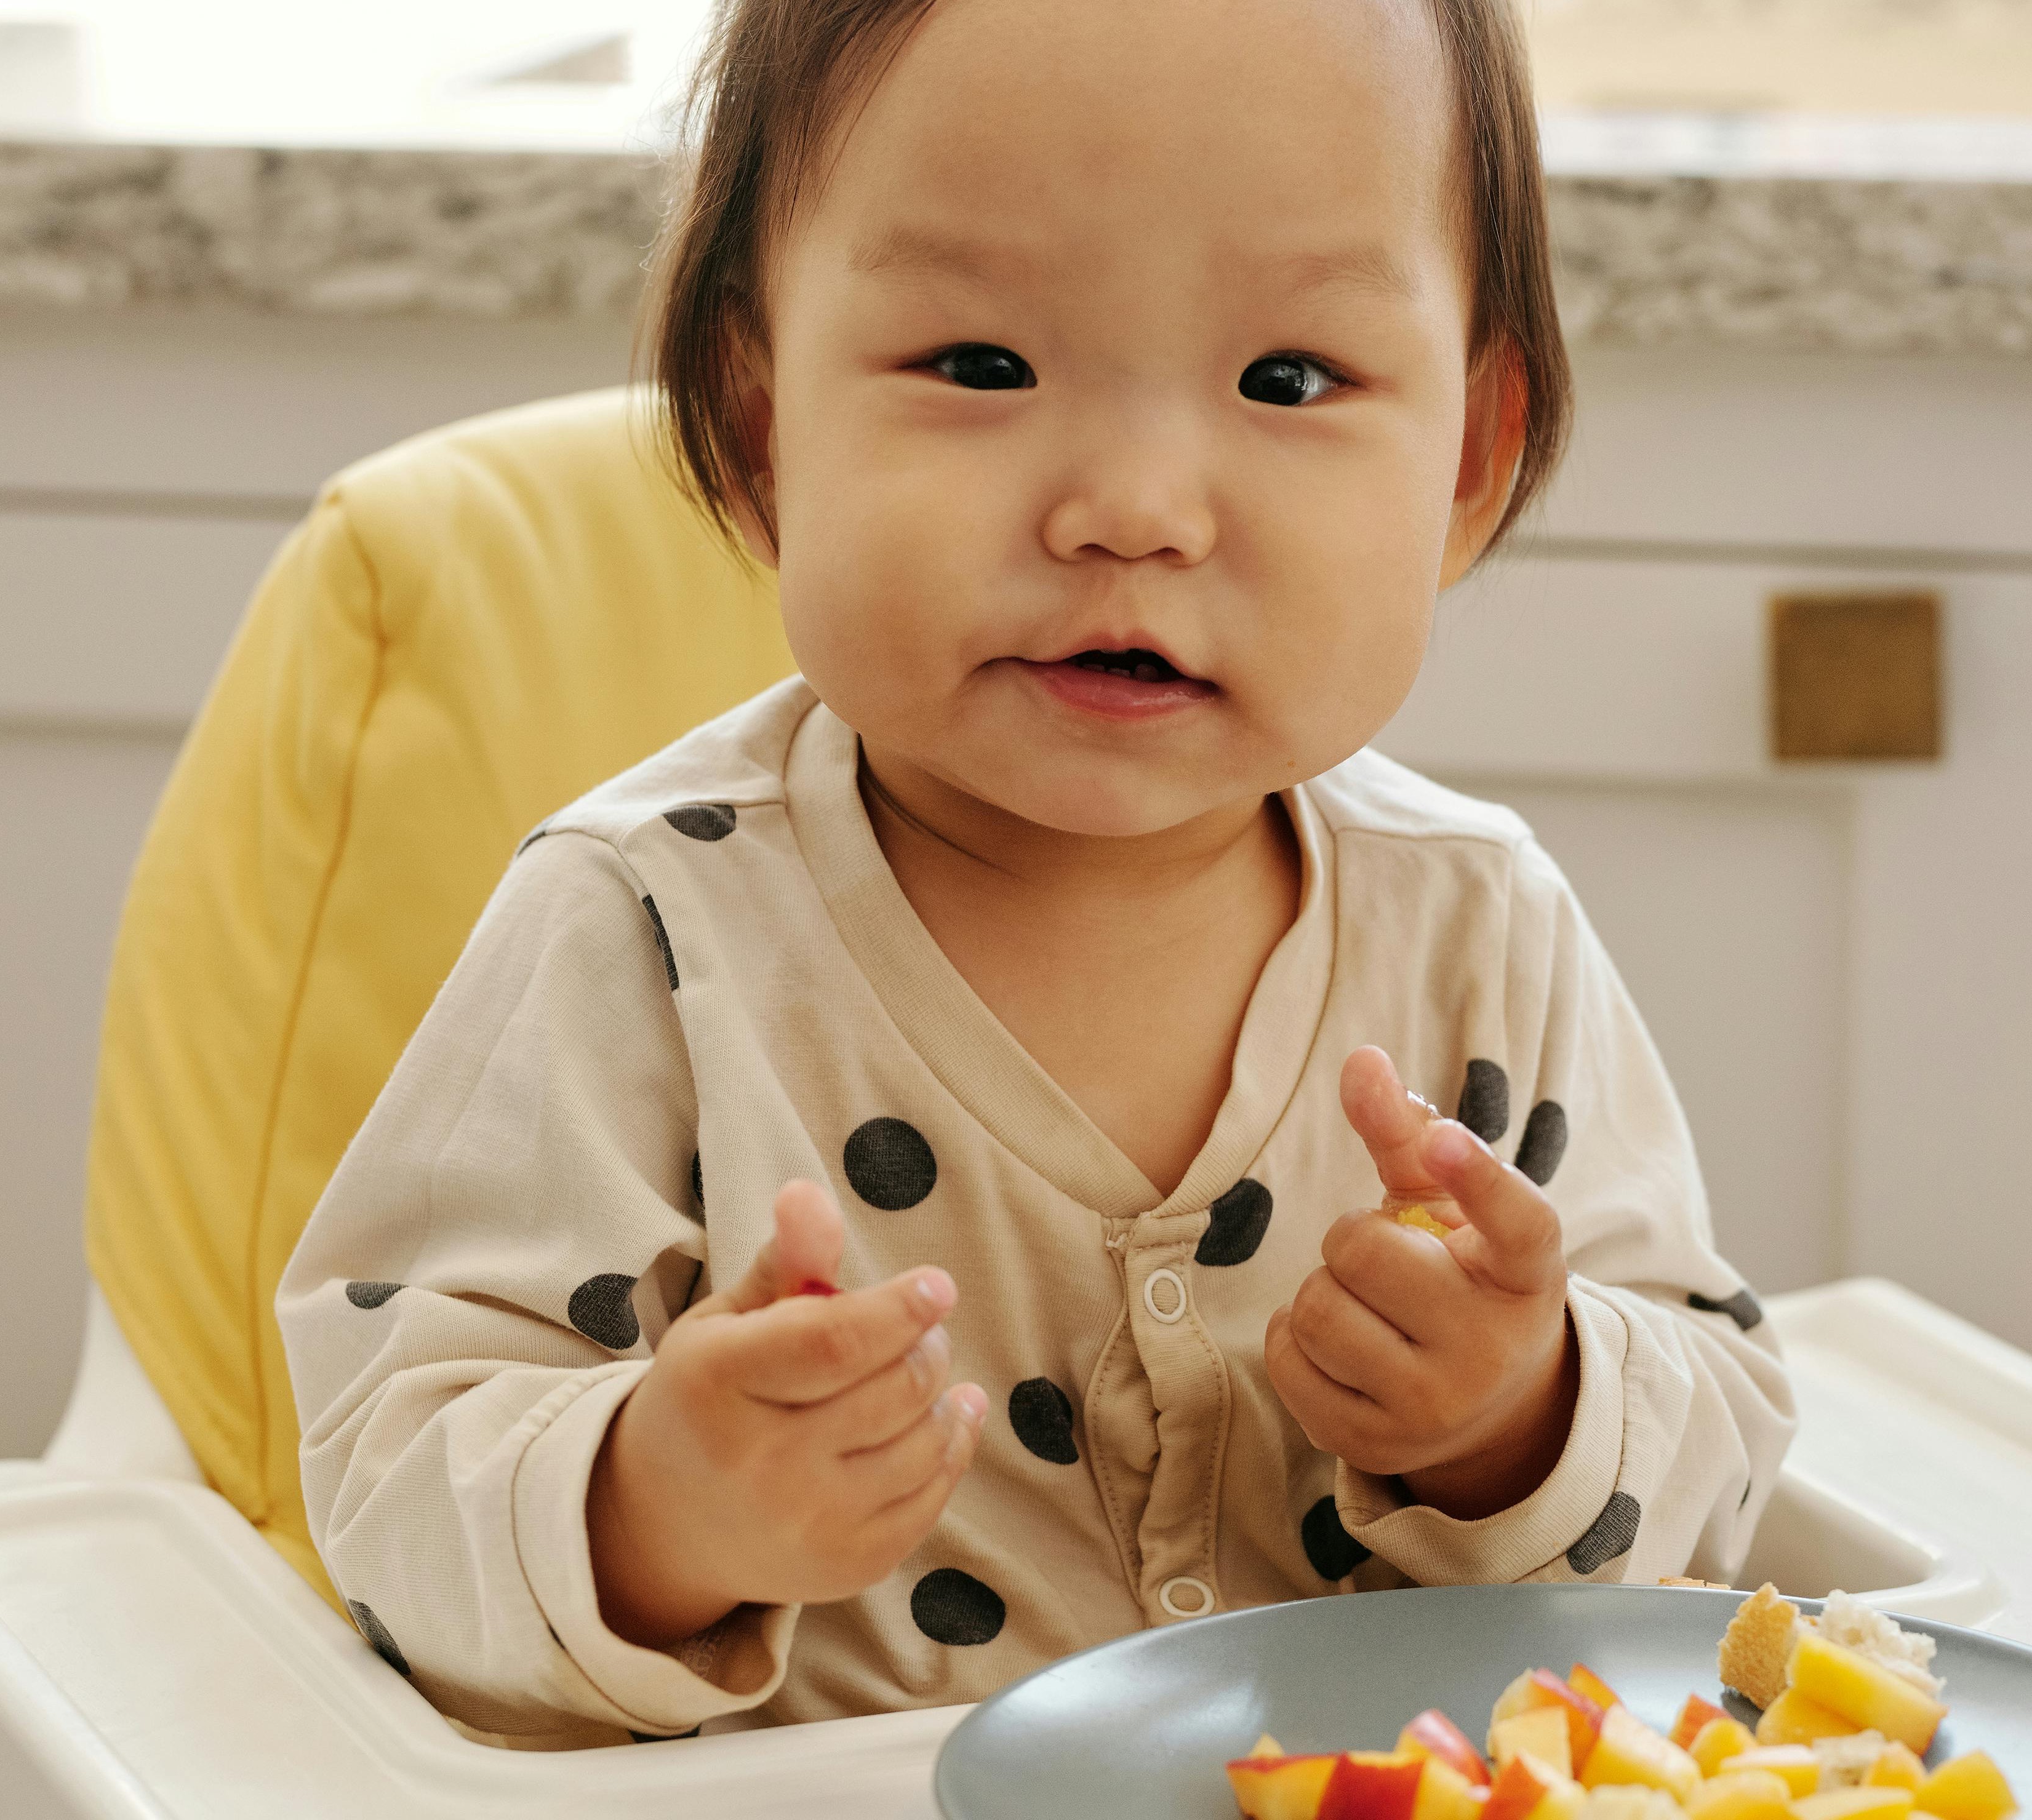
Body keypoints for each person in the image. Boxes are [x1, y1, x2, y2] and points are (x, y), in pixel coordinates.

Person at [276, 0, 1793, 1744]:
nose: (1132, 507)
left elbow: (1721, 1454)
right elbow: (390, 1481)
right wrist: (657, 1505)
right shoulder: (643, 928)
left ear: (1464, 459)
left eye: (1287, 379)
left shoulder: (1478, 927)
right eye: (983, 366)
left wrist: (1521, 1409)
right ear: (760, 422)